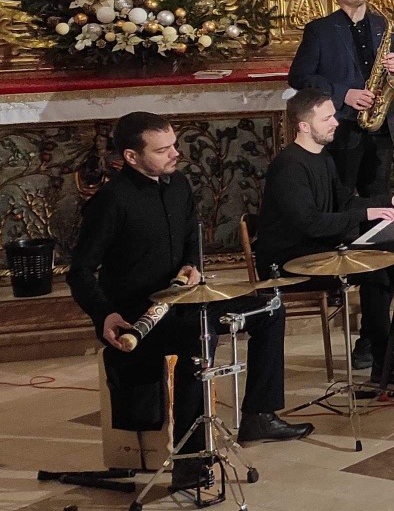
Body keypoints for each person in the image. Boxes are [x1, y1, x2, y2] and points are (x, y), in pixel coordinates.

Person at [69, 113, 311, 494]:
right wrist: (105, 315)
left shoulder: (179, 185)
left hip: (184, 301)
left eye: (174, 145)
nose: (175, 154)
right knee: (199, 337)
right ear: (131, 157)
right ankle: (189, 463)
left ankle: (259, 415)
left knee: (269, 309)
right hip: (139, 317)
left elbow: (190, 243)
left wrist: (192, 266)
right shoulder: (111, 202)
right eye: (162, 150)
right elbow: (80, 271)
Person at [254, 90, 394, 383]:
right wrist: (367, 214)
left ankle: (378, 349)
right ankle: (383, 359)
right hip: (289, 261)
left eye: (334, 116)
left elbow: (346, 202)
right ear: (304, 126)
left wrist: (390, 200)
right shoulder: (289, 167)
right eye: (327, 118)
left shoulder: (323, 158)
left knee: (392, 259)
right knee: (376, 270)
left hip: (317, 249)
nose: (336, 123)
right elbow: (310, 223)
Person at [288, 0, 394, 198]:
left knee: (379, 200)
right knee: (339, 198)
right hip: (342, 128)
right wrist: (344, 95)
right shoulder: (319, 30)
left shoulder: (384, 26)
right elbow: (299, 76)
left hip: (380, 128)